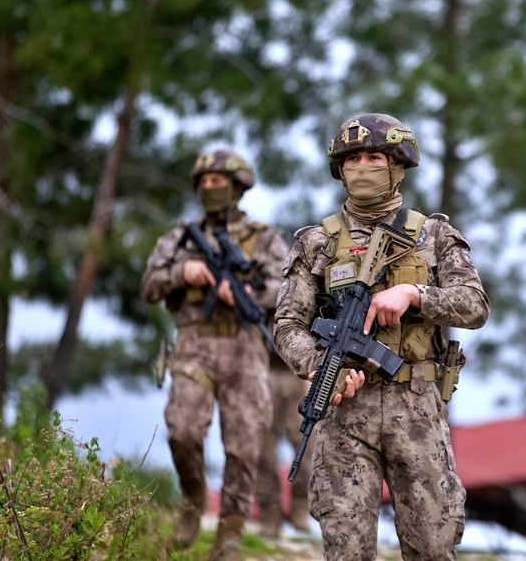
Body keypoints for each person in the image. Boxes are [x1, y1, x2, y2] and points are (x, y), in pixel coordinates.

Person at [274, 114, 490, 561]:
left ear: (397, 166)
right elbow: (287, 324)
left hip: (417, 408)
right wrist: (319, 367)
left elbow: (474, 305)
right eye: (353, 158)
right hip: (344, 419)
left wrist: (416, 294)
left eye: (374, 157)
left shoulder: (434, 236)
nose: (363, 166)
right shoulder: (317, 243)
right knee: (346, 550)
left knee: (432, 546)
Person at [139, 150, 288, 561]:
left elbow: (288, 289)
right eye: (203, 182)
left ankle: (230, 535)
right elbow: (149, 285)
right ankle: (192, 500)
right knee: (182, 430)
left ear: (239, 185)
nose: (209, 188)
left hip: (245, 348)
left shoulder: (266, 238)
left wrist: (247, 295)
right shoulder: (178, 236)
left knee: (245, 444)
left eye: (217, 180)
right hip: (194, 343)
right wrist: (181, 273)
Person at [254, 348, 314, 539]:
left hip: (300, 369)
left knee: (306, 441)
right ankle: (270, 511)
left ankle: (300, 508)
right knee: (264, 445)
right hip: (265, 367)